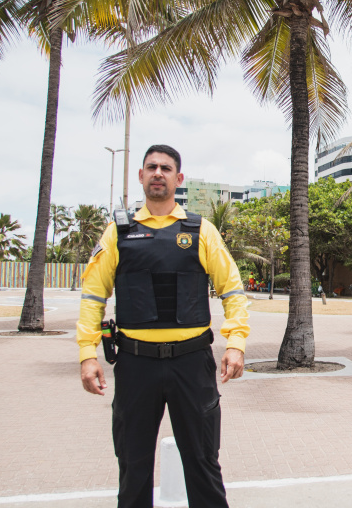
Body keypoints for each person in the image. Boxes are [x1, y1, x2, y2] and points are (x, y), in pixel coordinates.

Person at [77, 145, 250, 508]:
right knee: (133, 464)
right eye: (151, 167)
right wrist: (86, 354)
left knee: (203, 462)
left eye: (166, 168)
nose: (158, 173)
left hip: (191, 364)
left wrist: (236, 343)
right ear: (141, 176)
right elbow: (93, 297)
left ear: (178, 179)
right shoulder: (117, 233)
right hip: (136, 365)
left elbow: (232, 291)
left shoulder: (201, 231)